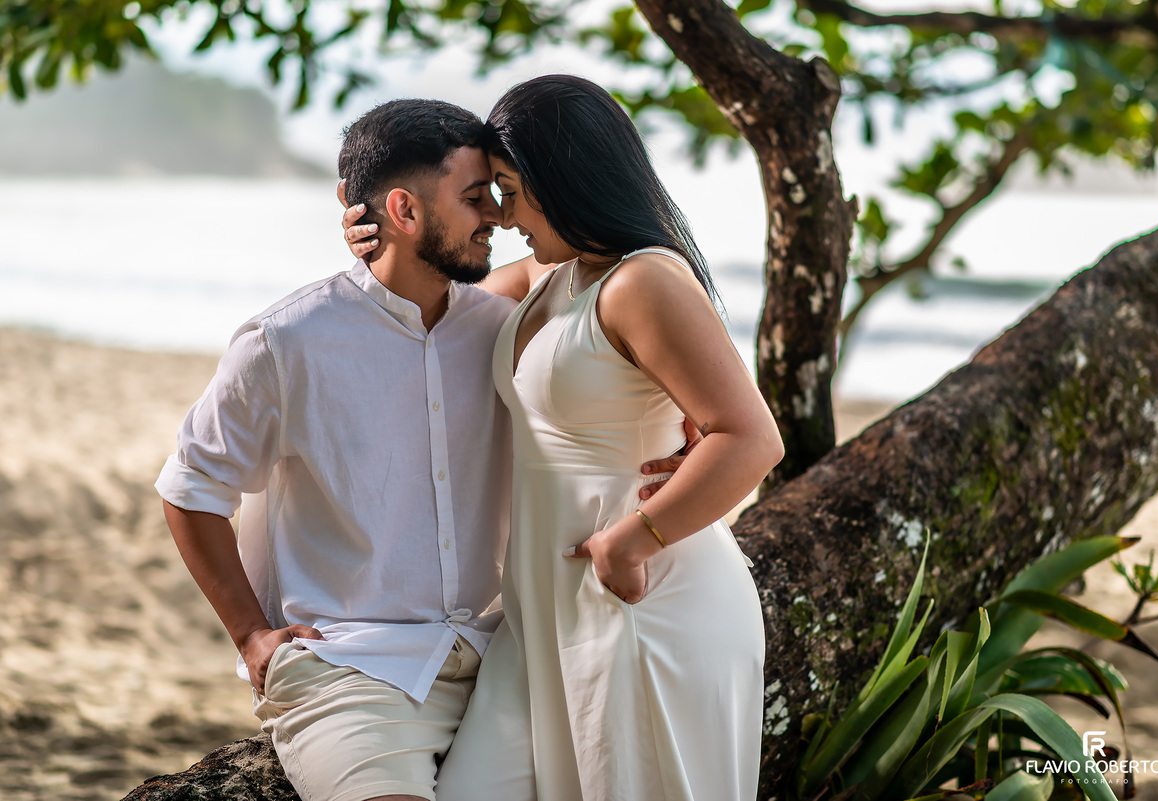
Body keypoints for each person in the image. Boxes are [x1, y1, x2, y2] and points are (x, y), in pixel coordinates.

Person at [157, 98, 680, 801]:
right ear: (404, 210)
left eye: (498, 196)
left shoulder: (504, 330)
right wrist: (252, 634)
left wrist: (687, 427)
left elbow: (616, 309)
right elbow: (190, 488)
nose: (496, 215)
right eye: (474, 199)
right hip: (350, 670)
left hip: (501, 654)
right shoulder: (286, 341)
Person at [349, 75, 784, 801]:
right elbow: (433, 302)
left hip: (642, 607)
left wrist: (634, 538)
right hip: (539, 619)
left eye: (511, 190)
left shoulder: (642, 283)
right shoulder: (557, 273)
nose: (504, 214)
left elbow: (750, 437)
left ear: (566, 180)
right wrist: (381, 240)